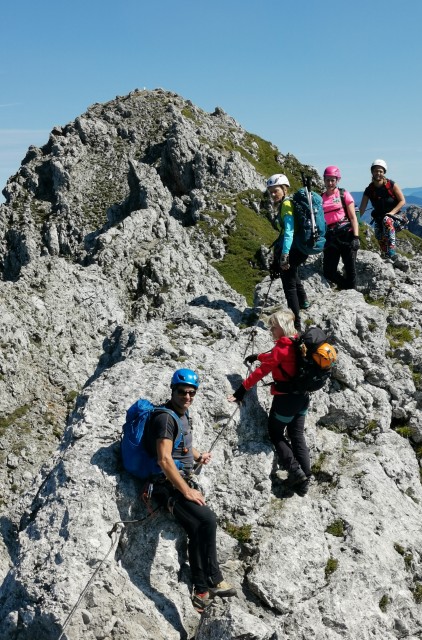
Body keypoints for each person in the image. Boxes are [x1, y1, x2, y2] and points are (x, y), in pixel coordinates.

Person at [143, 368, 237, 613]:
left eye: (191, 393)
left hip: (177, 479)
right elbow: (164, 460)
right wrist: (185, 491)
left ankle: (200, 590)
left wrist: (199, 455)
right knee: (207, 519)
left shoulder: (181, 415)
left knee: (196, 528)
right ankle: (214, 578)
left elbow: (183, 443)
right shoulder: (165, 419)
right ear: (172, 391)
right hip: (164, 485)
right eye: (182, 392)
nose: (187, 397)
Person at [228, 309, 311, 497]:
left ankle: (296, 472)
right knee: (297, 435)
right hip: (302, 398)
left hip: (285, 401)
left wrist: (240, 391)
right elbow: (276, 358)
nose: (271, 330)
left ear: (282, 327)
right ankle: (306, 478)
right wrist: (257, 356)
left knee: (275, 433)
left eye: (273, 327)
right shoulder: (297, 342)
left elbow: (261, 372)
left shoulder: (282, 347)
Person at [267, 173, 309, 332]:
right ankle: (304, 301)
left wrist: (284, 255)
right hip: (298, 248)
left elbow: (289, 231)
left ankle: (296, 325)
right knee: (293, 274)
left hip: (292, 249)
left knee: (289, 286)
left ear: (284, 189)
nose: (272, 194)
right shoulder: (288, 203)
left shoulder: (286, 205)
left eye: (275, 190)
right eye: (270, 191)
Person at [358, 159, 406, 259]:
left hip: (397, 219)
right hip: (380, 219)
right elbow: (362, 208)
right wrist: (354, 221)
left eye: (381, 171)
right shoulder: (369, 190)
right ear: (372, 172)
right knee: (378, 233)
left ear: (384, 173)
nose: (378, 173)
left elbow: (402, 201)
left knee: (387, 220)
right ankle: (385, 255)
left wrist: (391, 213)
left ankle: (392, 252)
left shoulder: (391, 185)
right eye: (376, 171)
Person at [321, 166, 360, 289]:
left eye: (333, 180)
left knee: (350, 267)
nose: (330, 183)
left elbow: (353, 217)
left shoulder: (344, 195)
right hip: (330, 236)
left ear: (337, 180)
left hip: (346, 235)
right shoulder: (321, 198)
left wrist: (356, 237)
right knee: (328, 271)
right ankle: (346, 287)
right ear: (324, 180)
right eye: (328, 180)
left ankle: (352, 291)